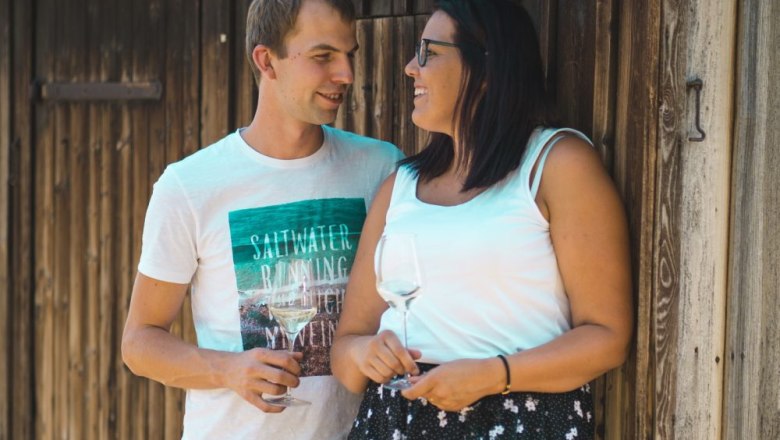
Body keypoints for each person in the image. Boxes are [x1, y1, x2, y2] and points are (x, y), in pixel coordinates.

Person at [330, 0, 633, 438]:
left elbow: (607, 337)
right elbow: (346, 348)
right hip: (397, 421)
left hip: (520, 419)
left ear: (488, 69)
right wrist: (365, 355)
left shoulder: (556, 164)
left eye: (428, 52)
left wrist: (493, 375)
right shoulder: (398, 187)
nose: (410, 67)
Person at [121, 0, 403, 438]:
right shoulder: (189, 186)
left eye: (351, 55)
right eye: (323, 56)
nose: (346, 74)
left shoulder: (382, 167)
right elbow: (140, 343)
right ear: (266, 60)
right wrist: (229, 370)